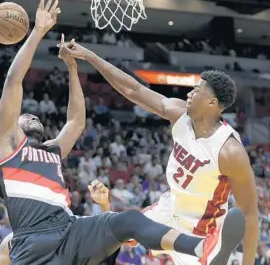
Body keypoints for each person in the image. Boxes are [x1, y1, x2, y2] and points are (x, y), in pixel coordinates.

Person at [0, 0, 244, 265]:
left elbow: (76, 122)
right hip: (34, 241)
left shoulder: (53, 150)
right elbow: (13, 82)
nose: (29, 116)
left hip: (70, 230)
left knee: (128, 220)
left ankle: (204, 248)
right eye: (24, 116)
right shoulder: (10, 145)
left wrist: (73, 68)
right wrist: (39, 30)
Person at [60, 40, 257, 265]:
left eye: (197, 91)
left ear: (212, 102)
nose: (190, 94)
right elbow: (134, 90)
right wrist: (90, 57)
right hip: (167, 209)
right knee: (117, 228)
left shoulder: (230, 151)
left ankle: (211, 250)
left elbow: (250, 214)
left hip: (200, 229)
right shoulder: (179, 114)